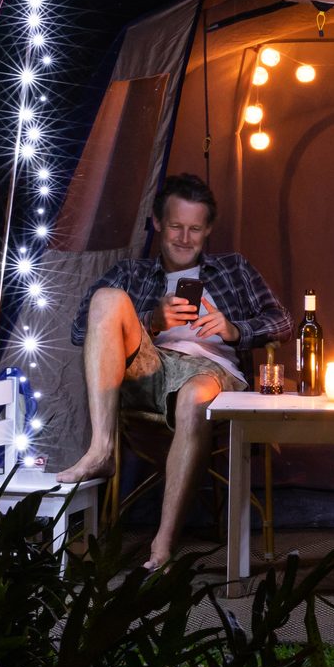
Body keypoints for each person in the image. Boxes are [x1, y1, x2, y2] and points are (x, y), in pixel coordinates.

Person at [55, 172, 288, 569]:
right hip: (151, 369)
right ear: (158, 223)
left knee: (195, 396)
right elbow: (82, 330)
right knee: (109, 299)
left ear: (208, 230)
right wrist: (150, 320)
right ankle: (101, 450)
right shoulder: (133, 273)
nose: (184, 237)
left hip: (211, 372)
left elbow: (282, 320)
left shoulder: (233, 269)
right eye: (176, 226)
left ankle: (162, 544)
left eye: (195, 229)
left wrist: (235, 329)